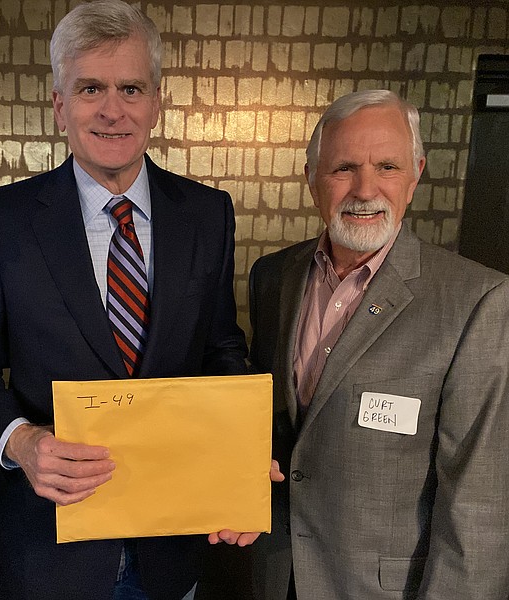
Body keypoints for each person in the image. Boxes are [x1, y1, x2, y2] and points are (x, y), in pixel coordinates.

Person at [0, 1, 255, 598]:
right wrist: (20, 441)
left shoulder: (207, 214)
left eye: (130, 88)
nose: (113, 110)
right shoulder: (5, 218)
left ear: (156, 102)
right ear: (60, 105)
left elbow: (221, 352)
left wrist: (233, 463)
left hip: (173, 542)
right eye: (90, 88)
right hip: (50, 545)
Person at [216, 89, 509, 598]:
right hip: (268, 573)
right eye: (344, 168)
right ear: (311, 179)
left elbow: (479, 505)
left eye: (387, 166)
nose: (365, 188)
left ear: (416, 174)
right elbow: (274, 426)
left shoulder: (477, 301)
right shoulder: (273, 277)